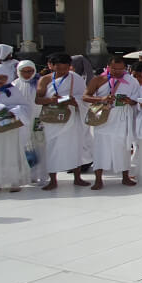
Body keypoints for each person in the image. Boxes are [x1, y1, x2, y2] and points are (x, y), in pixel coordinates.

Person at [35, 54, 91, 190]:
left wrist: (73, 100)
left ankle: (77, 177)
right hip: (52, 119)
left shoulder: (75, 79)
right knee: (52, 148)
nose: (62, 72)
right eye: (59, 69)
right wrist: (51, 100)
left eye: (65, 69)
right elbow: (38, 100)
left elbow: (83, 97)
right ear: (51, 66)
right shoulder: (45, 80)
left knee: (75, 146)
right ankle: (53, 180)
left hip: (71, 116)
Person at [84, 55, 140, 190]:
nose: (118, 72)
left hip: (121, 118)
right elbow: (85, 96)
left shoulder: (131, 81)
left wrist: (129, 101)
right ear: (108, 67)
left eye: (121, 69)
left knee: (122, 148)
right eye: (114, 69)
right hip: (103, 118)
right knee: (100, 148)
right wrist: (101, 98)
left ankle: (125, 177)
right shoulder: (99, 80)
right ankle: (98, 179)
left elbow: (137, 99)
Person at [0, 64, 32, 192]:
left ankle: (14, 181)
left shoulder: (13, 91)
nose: (0, 80)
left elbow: (25, 108)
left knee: (10, 154)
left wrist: (12, 111)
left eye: (3, 77)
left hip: (9, 129)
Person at [13, 60, 47, 186]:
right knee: (23, 148)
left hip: (38, 120)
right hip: (21, 122)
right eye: (24, 71)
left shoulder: (40, 83)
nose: (27, 74)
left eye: (30, 71)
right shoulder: (14, 85)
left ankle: (41, 175)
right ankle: (26, 175)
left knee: (40, 146)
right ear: (18, 71)